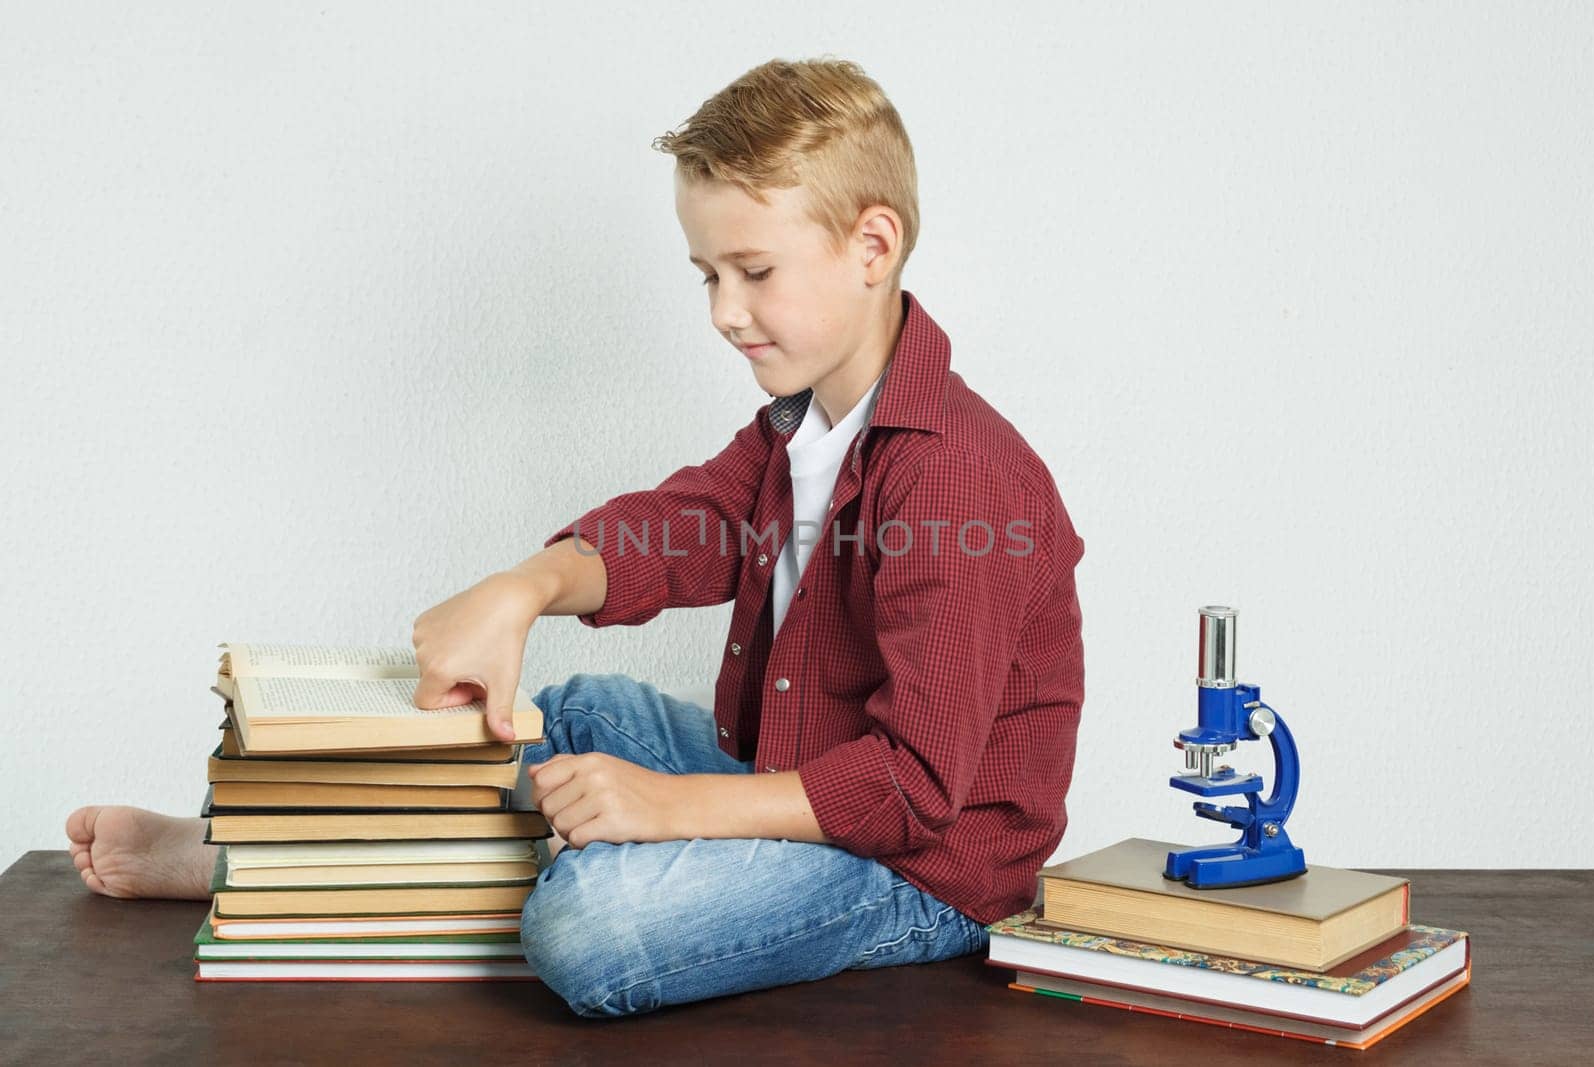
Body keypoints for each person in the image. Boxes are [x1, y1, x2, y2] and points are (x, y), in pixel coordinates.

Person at [65, 56, 1087, 1019]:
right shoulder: (806, 422)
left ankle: (441, 872)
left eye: (753, 270)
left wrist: (668, 805)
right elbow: (688, 525)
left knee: (590, 924)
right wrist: (525, 585)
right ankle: (259, 853)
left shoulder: (957, 472)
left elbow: (909, 786)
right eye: (706, 276)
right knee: (581, 707)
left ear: (873, 244)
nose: (726, 313)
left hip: (920, 870)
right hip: (790, 771)